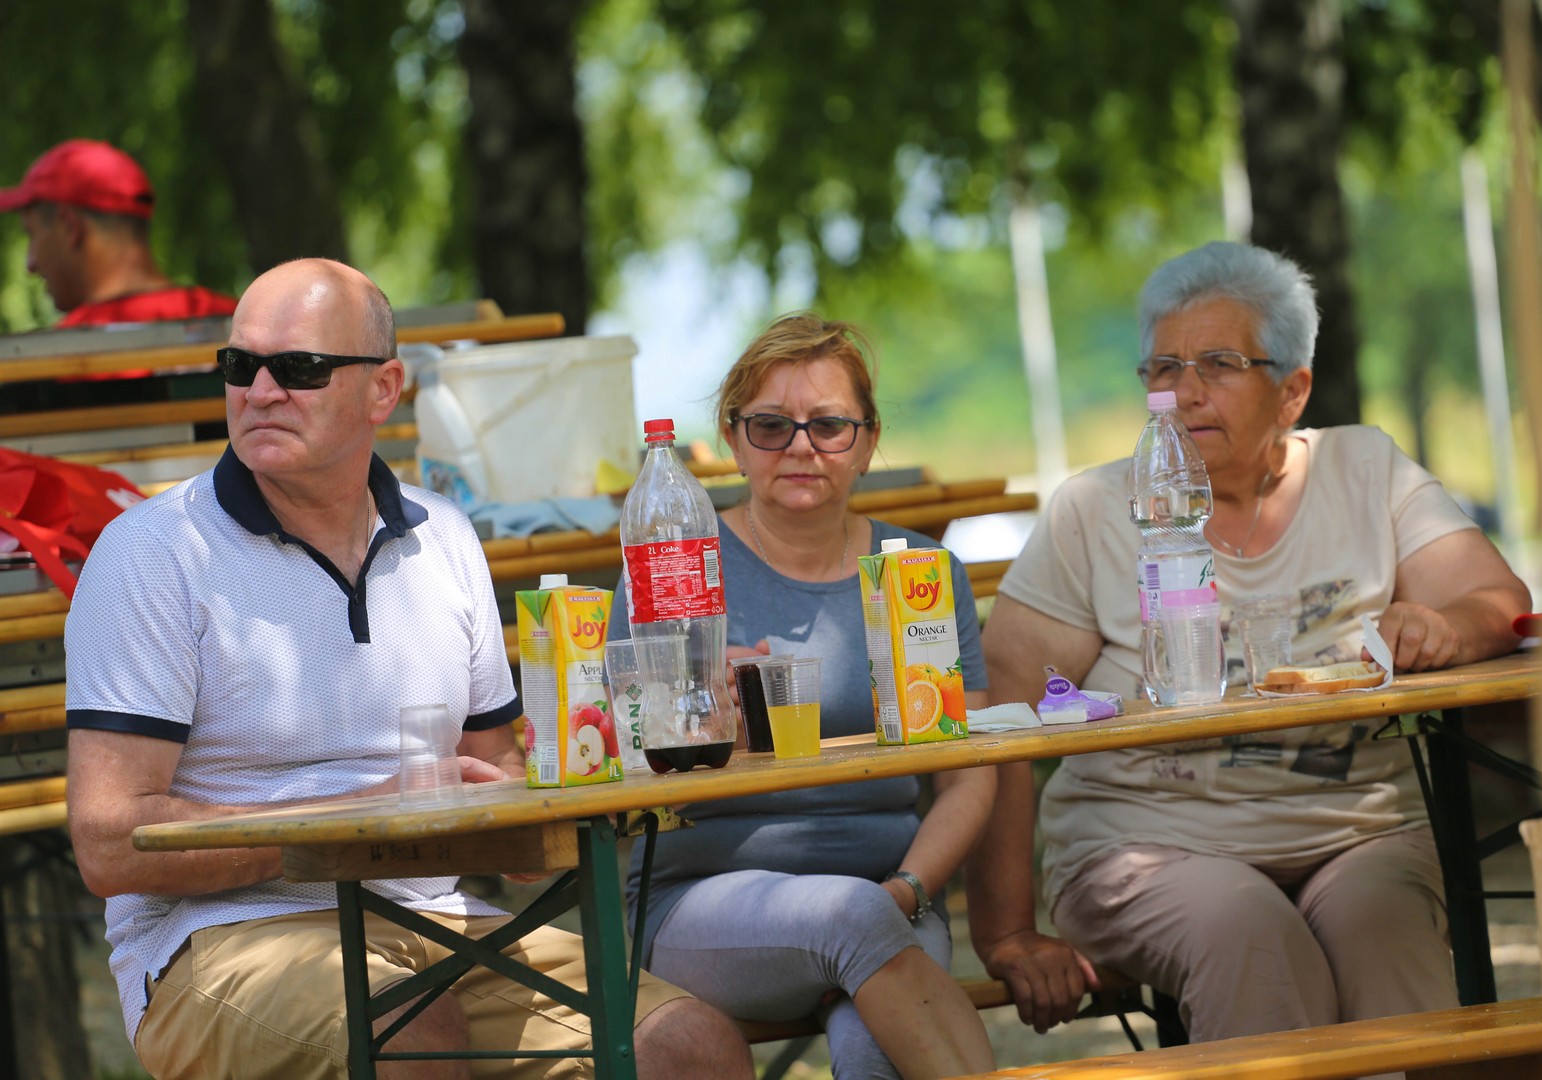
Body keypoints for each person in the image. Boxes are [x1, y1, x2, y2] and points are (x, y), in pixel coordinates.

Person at [63, 258, 753, 1079]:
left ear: (383, 390)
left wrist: (632, 743)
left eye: (302, 369)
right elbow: (109, 845)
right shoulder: (156, 552)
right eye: (240, 367)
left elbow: (517, 819)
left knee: (691, 1049)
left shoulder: (447, 540)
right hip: (219, 939)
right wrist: (358, 818)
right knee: (414, 1042)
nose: (261, 391)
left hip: (441, 922)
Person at [968, 241, 1531, 1044]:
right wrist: (1006, 932)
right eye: (1162, 369)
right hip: (1146, 842)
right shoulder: (1095, 510)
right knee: (1251, 939)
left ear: (1292, 390)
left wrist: (1443, 626)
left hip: (1358, 831)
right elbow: (1004, 706)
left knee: (1387, 938)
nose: (1185, 393)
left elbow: (1498, 600)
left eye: (1219, 364)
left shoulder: (1364, 469)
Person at [606, 313, 998, 1079]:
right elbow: (621, 785)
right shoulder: (675, 566)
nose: (800, 447)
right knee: (849, 918)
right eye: (771, 425)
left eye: (828, 425)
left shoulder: (922, 571)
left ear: (869, 440)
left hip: (893, 894)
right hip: (705, 904)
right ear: (732, 439)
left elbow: (971, 770)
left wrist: (910, 887)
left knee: (874, 1049)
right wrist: (690, 729)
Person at [1, 138, 237, 328]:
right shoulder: (240, 327)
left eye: (32, 235)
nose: (30, 264)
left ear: (69, 226)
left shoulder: (57, 360)